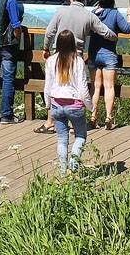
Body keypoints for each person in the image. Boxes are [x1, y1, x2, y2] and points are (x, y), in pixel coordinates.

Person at [36, 0, 118, 133]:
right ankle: (75, 123)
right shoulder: (89, 16)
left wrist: (46, 48)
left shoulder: (61, 12)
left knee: (54, 84)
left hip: (58, 54)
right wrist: (115, 37)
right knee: (76, 86)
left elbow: (49, 32)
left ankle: (50, 122)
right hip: (76, 56)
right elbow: (105, 32)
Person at [44, 29, 91, 173]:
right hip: (75, 105)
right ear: (73, 44)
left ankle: (62, 171)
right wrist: (90, 106)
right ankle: (74, 163)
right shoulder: (78, 61)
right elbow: (83, 87)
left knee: (62, 139)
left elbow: (48, 85)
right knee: (81, 135)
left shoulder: (51, 60)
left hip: (56, 104)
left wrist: (48, 104)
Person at [87, 0, 130, 130]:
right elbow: (128, 29)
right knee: (109, 87)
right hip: (109, 54)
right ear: (112, 3)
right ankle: (108, 117)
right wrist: (129, 15)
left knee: (95, 87)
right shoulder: (114, 13)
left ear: (99, 4)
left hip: (94, 54)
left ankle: (93, 116)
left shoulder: (93, 14)